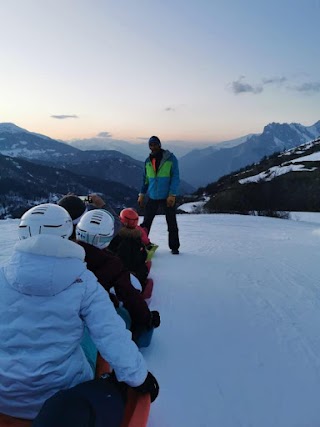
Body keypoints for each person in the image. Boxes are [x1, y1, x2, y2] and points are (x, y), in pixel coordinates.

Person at [0, 203, 159, 423]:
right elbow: (111, 333)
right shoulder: (83, 280)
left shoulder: (2, 275)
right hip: (64, 398)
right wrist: (139, 377)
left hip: (5, 398)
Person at [75, 209, 160, 346]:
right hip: (92, 316)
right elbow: (129, 295)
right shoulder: (112, 264)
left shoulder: (64, 255)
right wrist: (147, 318)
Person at [138, 135, 180, 254]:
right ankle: (143, 245)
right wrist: (142, 194)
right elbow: (145, 180)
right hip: (152, 196)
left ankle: (174, 247)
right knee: (146, 223)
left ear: (159, 145)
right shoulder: (147, 161)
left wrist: (172, 194)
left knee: (171, 222)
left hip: (167, 196)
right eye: (151, 145)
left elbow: (175, 178)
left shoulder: (171, 159)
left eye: (155, 144)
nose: (153, 147)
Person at [108, 208, 150, 288]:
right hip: (137, 274)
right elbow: (144, 256)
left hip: (118, 274)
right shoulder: (138, 237)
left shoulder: (115, 236)